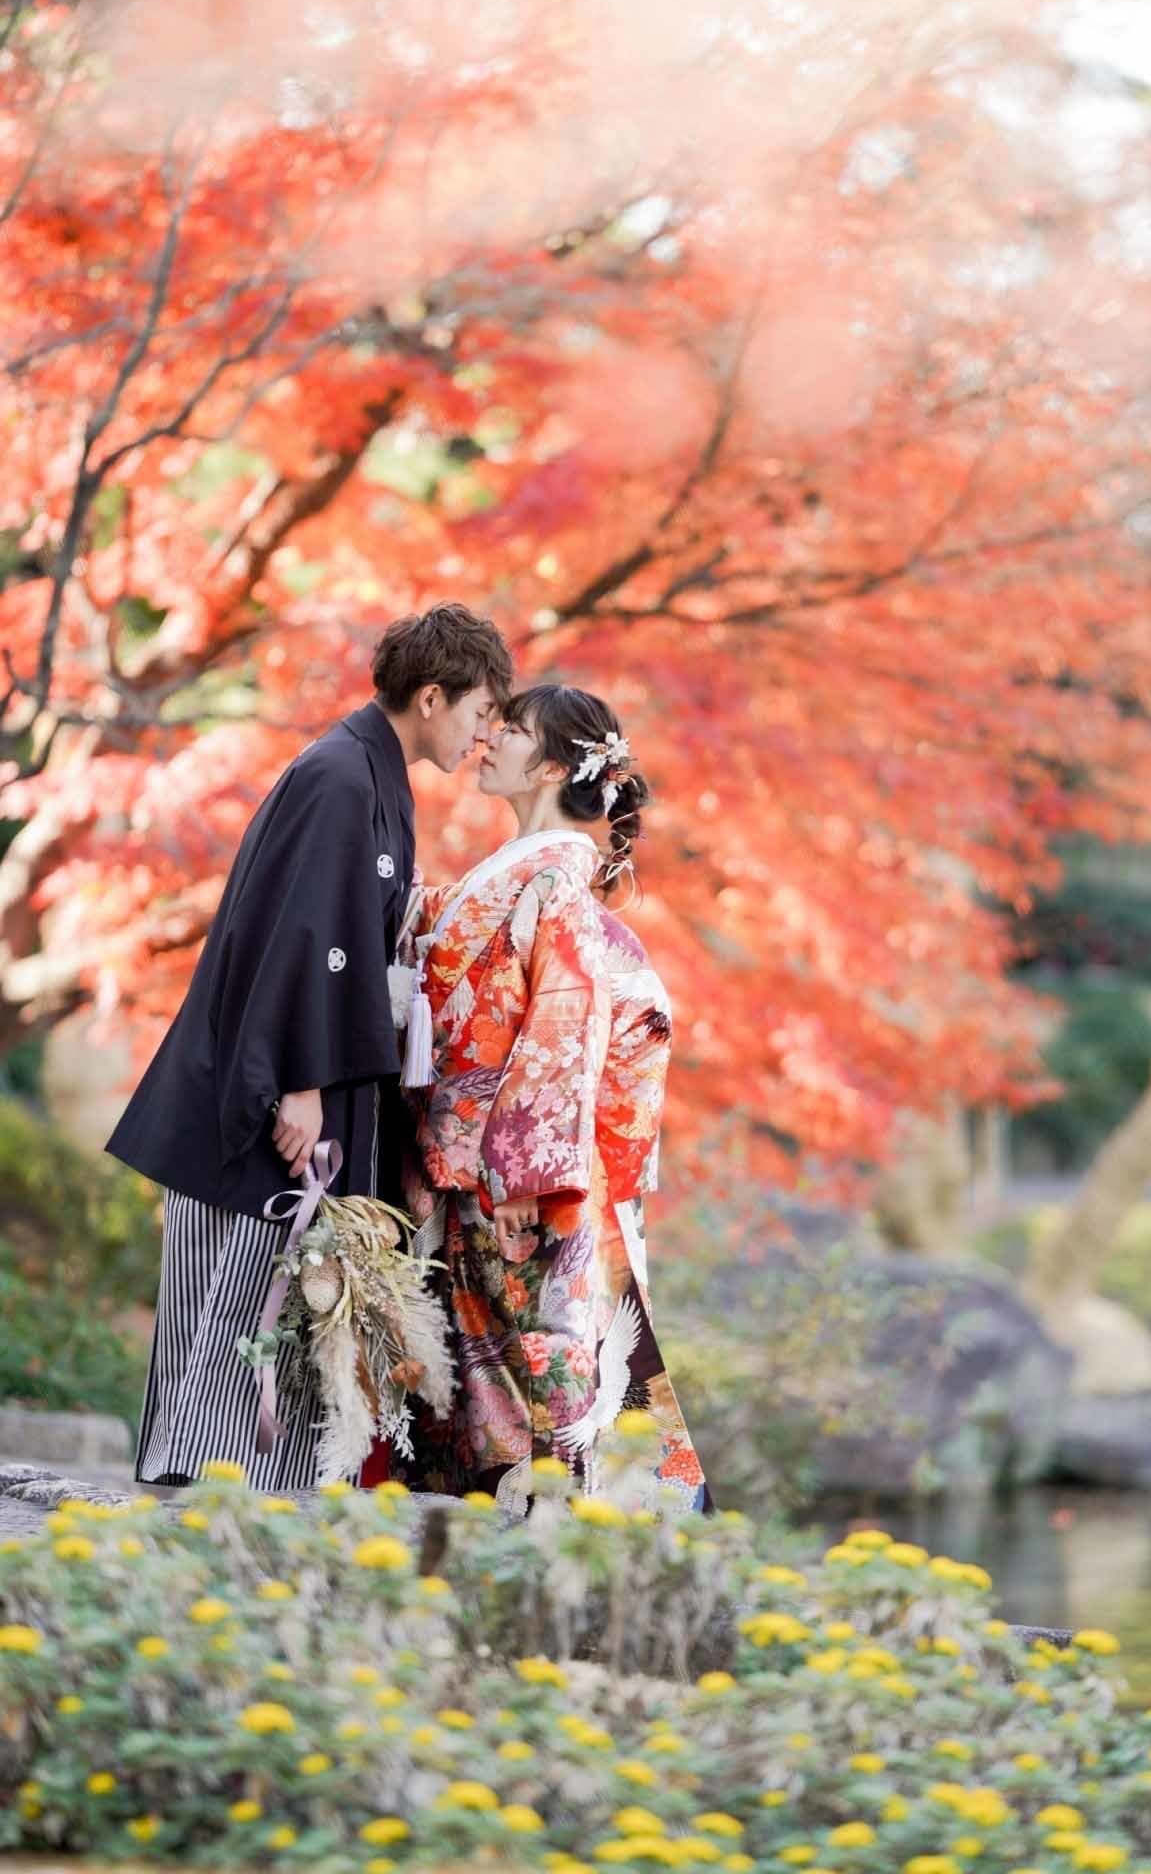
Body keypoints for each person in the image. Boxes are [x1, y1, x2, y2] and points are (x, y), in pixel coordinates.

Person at [106, 604, 513, 1490]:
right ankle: (202, 1509)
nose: (484, 734)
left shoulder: (371, 775)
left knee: (252, 1316)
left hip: (292, 1085)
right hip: (274, 1098)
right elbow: (297, 937)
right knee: (239, 1314)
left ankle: (215, 1504)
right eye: (481, 712)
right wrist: (301, 1080)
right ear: (433, 697)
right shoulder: (340, 777)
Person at [397, 682, 708, 1513]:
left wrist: (529, 1178)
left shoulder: (560, 878)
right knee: (473, 1383)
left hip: (514, 1176)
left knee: (535, 1385)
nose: (488, 739)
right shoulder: (519, 871)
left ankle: (561, 1563)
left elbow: (563, 1029)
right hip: (466, 1163)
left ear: (556, 766)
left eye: (513, 730)